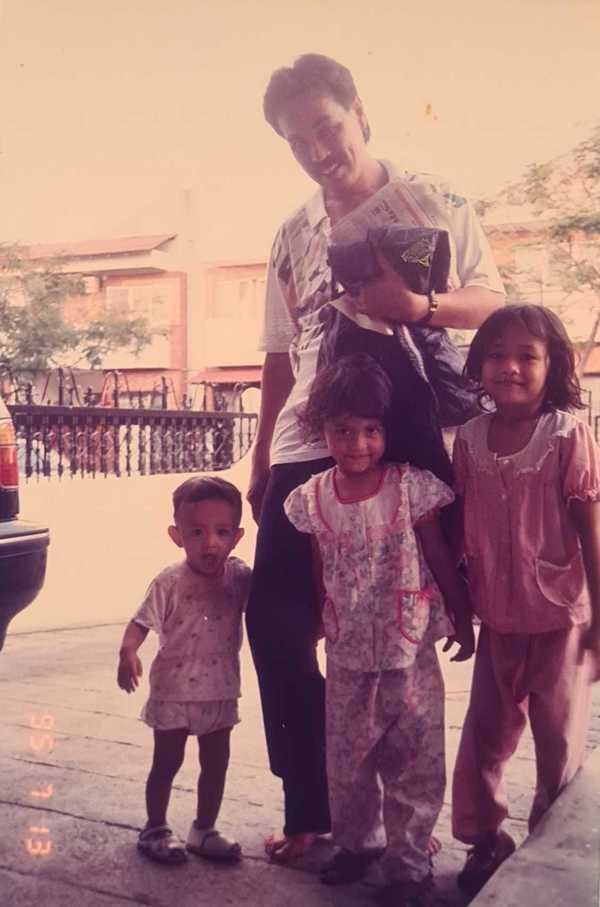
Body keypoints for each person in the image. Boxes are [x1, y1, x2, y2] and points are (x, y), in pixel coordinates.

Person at [246, 52, 505, 862]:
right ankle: (315, 809)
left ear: (360, 112)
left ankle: (412, 827)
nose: (320, 149)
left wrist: (418, 305)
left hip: (402, 428)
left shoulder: (435, 196)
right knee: (277, 624)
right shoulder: (293, 232)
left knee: (403, 634)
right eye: (299, 140)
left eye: (328, 126)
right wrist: (259, 460)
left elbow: (497, 300)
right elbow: (280, 357)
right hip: (304, 440)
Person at [283, 353, 474, 906]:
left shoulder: (411, 488)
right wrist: (321, 618)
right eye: (343, 431)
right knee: (348, 759)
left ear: (387, 429)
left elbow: (439, 555)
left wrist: (461, 614)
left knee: (415, 759)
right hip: (347, 655)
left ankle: (409, 861)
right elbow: (321, 568)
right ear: (322, 430)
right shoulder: (312, 498)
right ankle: (356, 845)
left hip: (409, 648)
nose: (358, 444)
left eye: (371, 430)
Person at [450, 304, 600, 896]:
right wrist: (461, 612)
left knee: (557, 739)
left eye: (526, 356)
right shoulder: (468, 438)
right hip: (498, 618)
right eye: (496, 354)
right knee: (485, 733)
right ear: (479, 363)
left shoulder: (566, 434)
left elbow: (590, 529)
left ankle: (548, 847)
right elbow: (461, 528)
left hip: (561, 618)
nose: (509, 367)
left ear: (553, 364)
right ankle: (486, 839)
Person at [117, 476, 251, 865]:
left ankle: (204, 829)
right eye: (197, 531)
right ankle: (155, 828)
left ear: (237, 536)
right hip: (173, 691)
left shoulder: (240, 577)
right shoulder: (169, 581)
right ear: (177, 535)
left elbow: (268, 606)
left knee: (216, 763)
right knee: (167, 762)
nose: (211, 542)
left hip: (220, 691)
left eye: (222, 532)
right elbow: (141, 622)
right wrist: (128, 652)